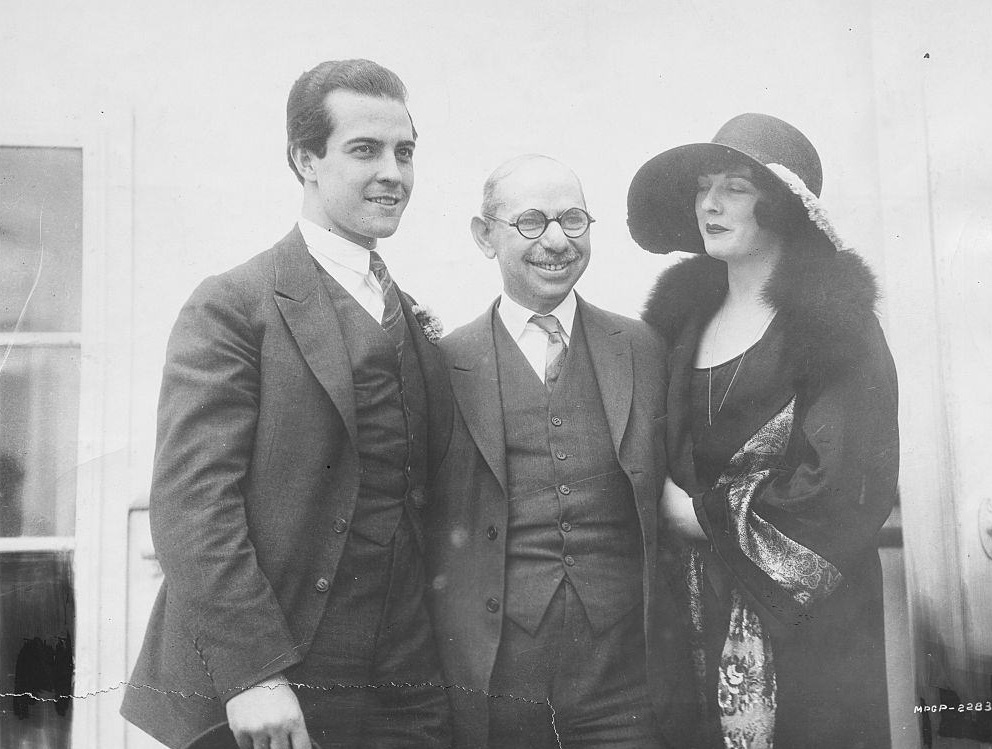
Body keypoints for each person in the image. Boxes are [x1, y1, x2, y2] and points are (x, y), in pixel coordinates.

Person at [121, 59, 453, 749]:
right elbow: (190, 505)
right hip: (275, 684)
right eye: (364, 149)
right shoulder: (235, 305)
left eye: (405, 152)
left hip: (405, 685)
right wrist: (251, 675)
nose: (393, 172)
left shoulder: (411, 317)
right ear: (305, 158)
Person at [627, 113, 899, 748]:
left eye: (736, 187)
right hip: (688, 606)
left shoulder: (835, 324)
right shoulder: (678, 325)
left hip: (806, 626)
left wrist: (701, 516)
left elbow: (845, 483)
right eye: (703, 186)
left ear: (780, 205)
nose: (711, 204)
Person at [425, 155, 691, 749]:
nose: (555, 241)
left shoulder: (642, 347)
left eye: (572, 220)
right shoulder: (443, 364)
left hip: (624, 686)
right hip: (497, 686)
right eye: (530, 222)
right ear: (483, 236)